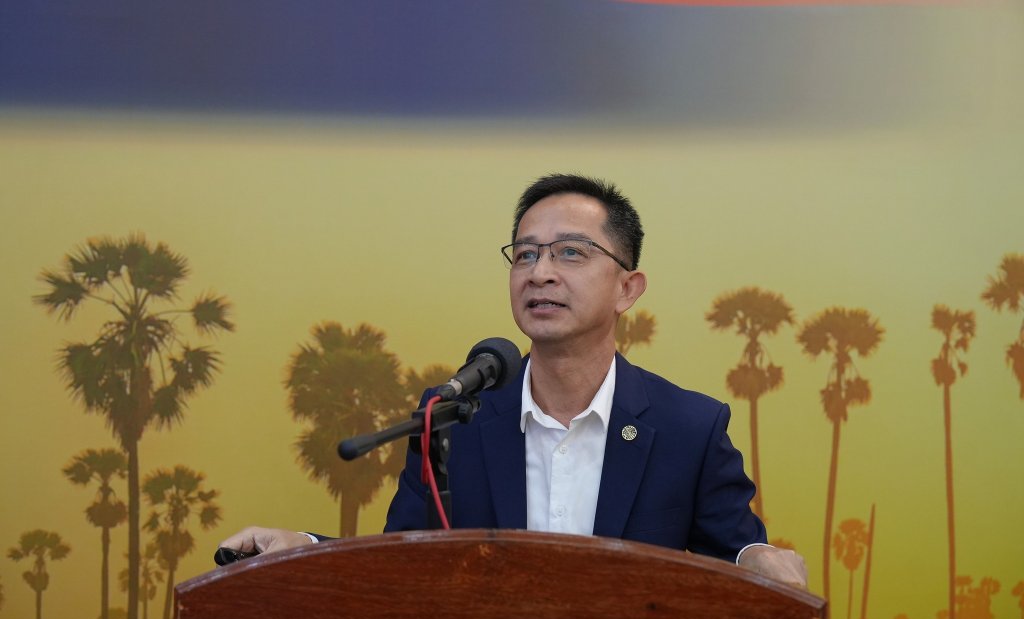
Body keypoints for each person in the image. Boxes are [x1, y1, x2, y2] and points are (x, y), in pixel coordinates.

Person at [221, 173, 807, 587]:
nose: (540, 273)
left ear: (628, 288)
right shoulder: (454, 418)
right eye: (525, 255)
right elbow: (399, 564)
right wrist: (304, 549)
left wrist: (755, 557)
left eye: (571, 253)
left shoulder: (690, 428)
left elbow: (739, 557)